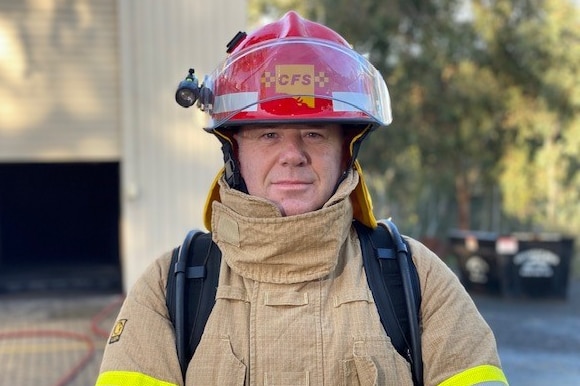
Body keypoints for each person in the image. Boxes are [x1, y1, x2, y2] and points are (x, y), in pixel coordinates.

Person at [96, 11, 508, 386]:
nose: (292, 154)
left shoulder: (415, 278)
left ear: (346, 149)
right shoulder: (173, 285)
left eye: (314, 133)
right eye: (268, 134)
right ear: (233, 149)